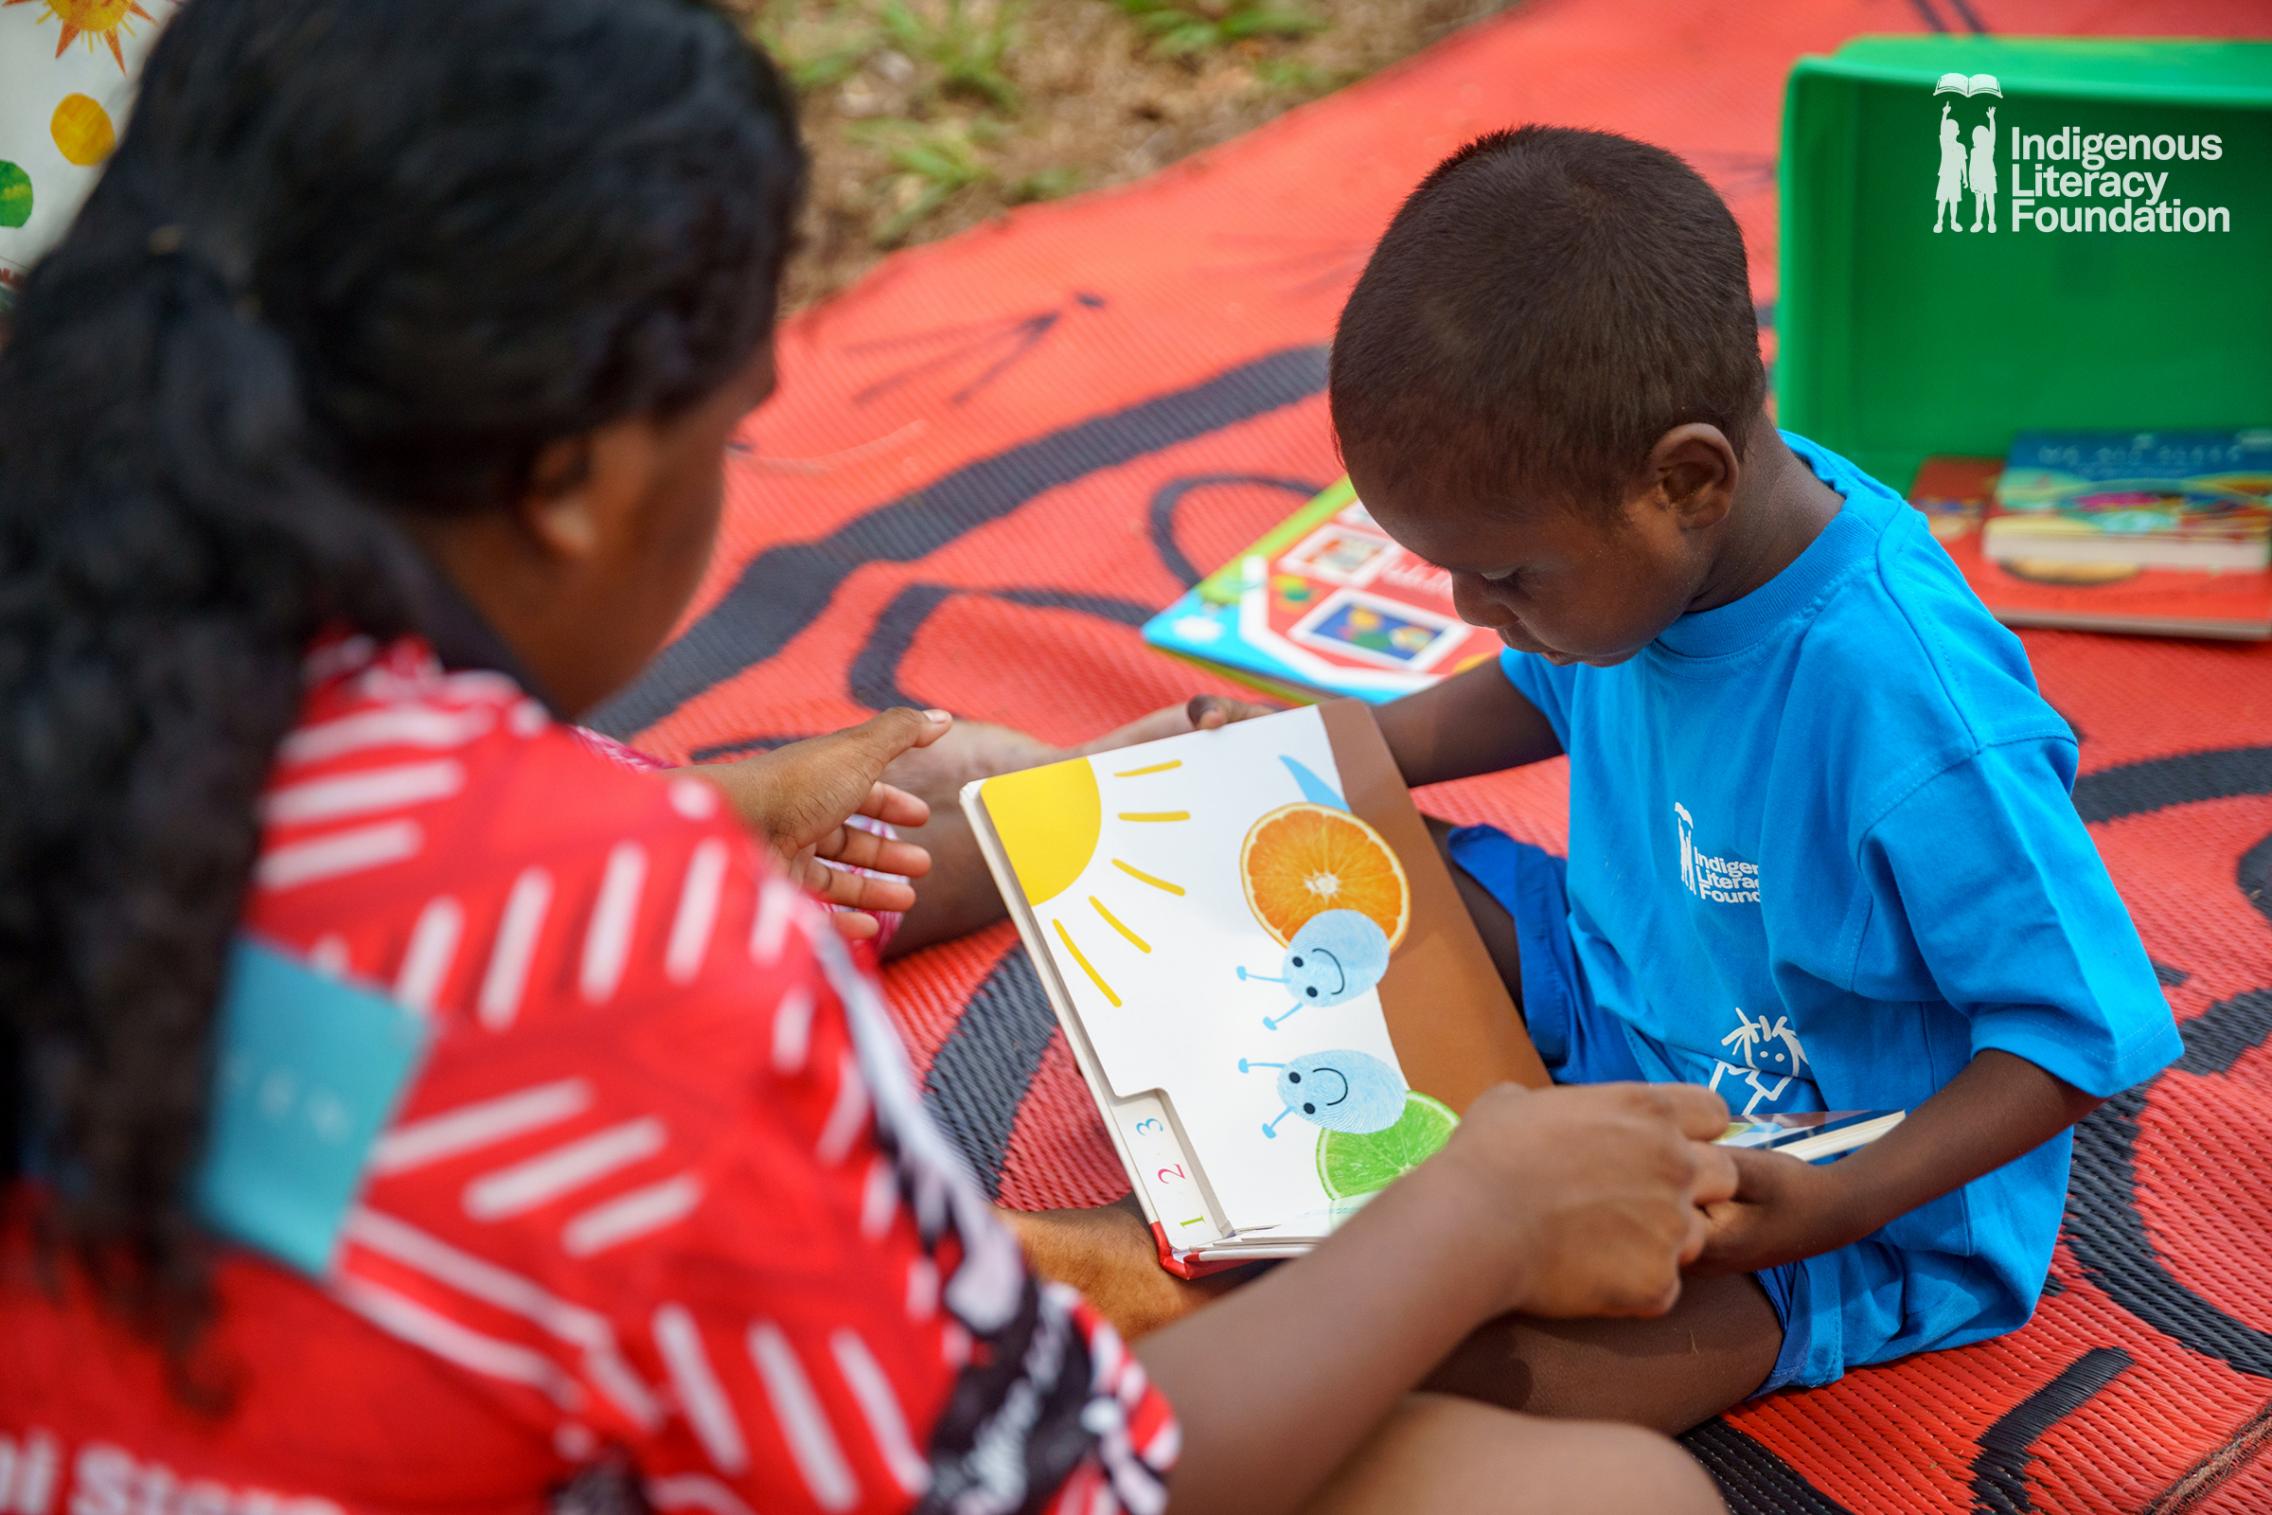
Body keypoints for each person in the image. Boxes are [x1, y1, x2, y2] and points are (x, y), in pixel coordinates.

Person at [0, 8, 1741, 1513]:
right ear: (575, 481)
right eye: (730, 429)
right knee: (1615, 1491)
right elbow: (1076, 1484)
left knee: (993, 789)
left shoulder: (104, 659)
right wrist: (1475, 1215)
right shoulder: (635, 946)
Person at [1020, 125, 2184, 1435]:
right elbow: (1544, 682)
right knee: (1283, 856)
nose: (1474, 607)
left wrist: (1849, 1196)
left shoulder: (1913, 702)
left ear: (1687, 480)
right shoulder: (1653, 558)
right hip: (1607, 972)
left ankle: (1183, 1299)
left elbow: (2079, 1022)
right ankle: (1249, 1240)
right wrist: (1342, 747)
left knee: (1544, 1376)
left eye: (1507, 576)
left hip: (1814, 1174)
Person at [1935, 102, 1967, 232]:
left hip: (1955, 178)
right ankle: (1939, 222)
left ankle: (1953, 222)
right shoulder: (1945, 144)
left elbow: (1963, 163)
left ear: (1958, 132)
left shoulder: (1961, 147)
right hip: (1945, 176)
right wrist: (1944, 114)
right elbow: (1942, 130)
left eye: (1953, 130)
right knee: (1942, 200)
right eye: (1948, 130)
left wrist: (1965, 178)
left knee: (1954, 202)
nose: (1950, 132)